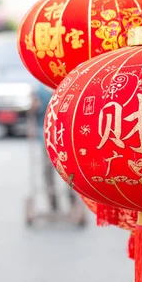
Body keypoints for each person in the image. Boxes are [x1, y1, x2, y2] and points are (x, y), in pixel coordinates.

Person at [34, 82, 86, 223]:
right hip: (47, 136)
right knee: (48, 168)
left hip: (65, 137)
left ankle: (71, 199)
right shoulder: (40, 90)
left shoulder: (68, 87)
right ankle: (53, 201)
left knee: (68, 169)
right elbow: (35, 108)